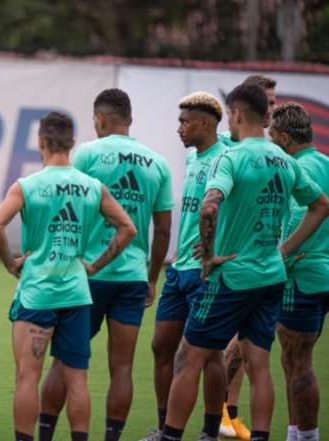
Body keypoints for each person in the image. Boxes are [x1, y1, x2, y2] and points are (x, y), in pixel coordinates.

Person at [161, 83, 329, 441]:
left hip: (232, 276)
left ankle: (170, 436)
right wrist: (283, 251)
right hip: (271, 277)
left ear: (236, 115)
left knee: (189, 358)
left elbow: (209, 206)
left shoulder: (231, 157)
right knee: (260, 365)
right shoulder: (284, 160)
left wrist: (208, 256)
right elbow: (321, 205)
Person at [0, 111, 136, 441]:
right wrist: (95, 266)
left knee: (27, 376)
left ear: (41, 142)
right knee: (77, 379)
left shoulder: (26, 186)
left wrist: (10, 263)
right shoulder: (92, 187)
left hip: (37, 292)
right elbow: (128, 228)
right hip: (76, 293)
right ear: (72, 143)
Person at [39, 88, 174, 441]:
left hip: (86, 274)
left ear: (99, 119)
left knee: (64, 360)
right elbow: (162, 231)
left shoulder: (85, 154)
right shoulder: (157, 163)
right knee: (123, 366)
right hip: (131, 276)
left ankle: (45, 433)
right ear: (129, 119)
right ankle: (111, 437)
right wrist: (151, 278)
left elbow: (59, 203)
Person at [140, 92, 228, 441]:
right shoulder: (193, 158)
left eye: (184, 121)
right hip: (180, 269)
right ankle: (164, 428)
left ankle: (209, 431)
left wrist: (215, 246)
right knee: (161, 345)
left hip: (209, 271)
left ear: (205, 122)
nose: (179, 128)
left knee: (210, 354)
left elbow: (233, 208)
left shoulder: (227, 158)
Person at [218, 74, 277, 441]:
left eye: (274, 102)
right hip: (235, 264)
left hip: (269, 264)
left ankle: (229, 417)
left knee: (254, 352)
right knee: (222, 346)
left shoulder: (277, 155)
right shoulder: (230, 150)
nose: (272, 109)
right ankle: (219, 415)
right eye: (267, 102)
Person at [269, 103, 329, 441]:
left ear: (286, 138)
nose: (270, 142)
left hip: (301, 274)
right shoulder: (326, 164)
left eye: (272, 136)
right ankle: (296, 433)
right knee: (294, 361)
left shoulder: (294, 168)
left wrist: (282, 257)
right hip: (323, 273)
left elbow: (297, 216)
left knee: (298, 360)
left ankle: (306, 437)